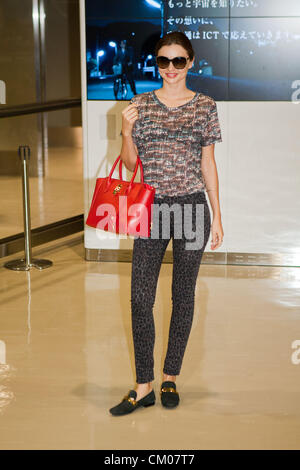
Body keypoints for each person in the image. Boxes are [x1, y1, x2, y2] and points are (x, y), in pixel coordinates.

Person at [109, 31, 223, 416]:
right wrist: (125, 131)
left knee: (182, 296)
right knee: (140, 297)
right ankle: (144, 386)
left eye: (178, 61)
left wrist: (218, 215)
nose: (170, 68)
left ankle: (170, 375)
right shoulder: (139, 104)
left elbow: (208, 163)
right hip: (151, 207)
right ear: (155, 63)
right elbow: (129, 164)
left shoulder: (205, 106)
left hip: (192, 207)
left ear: (190, 63)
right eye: (163, 61)